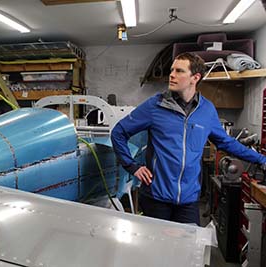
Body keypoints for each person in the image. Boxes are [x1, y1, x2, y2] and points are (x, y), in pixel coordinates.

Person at [111, 52, 266, 225]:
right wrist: (132, 166)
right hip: (156, 197)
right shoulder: (155, 106)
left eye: (179, 71)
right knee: (156, 250)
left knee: (190, 249)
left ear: (195, 77)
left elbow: (226, 142)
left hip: (188, 200)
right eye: (172, 70)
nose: (171, 75)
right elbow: (118, 132)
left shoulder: (206, 110)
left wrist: (261, 159)